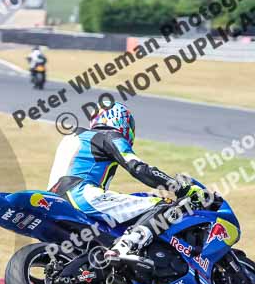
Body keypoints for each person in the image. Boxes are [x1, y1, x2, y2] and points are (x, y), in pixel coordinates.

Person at [47, 101, 201, 261]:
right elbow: (139, 168)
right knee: (162, 205)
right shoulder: (108, 135)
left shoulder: (73, 137)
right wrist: (180, 188)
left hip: (55, 199)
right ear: (121, 119)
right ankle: (126, 247)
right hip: (82, 196)